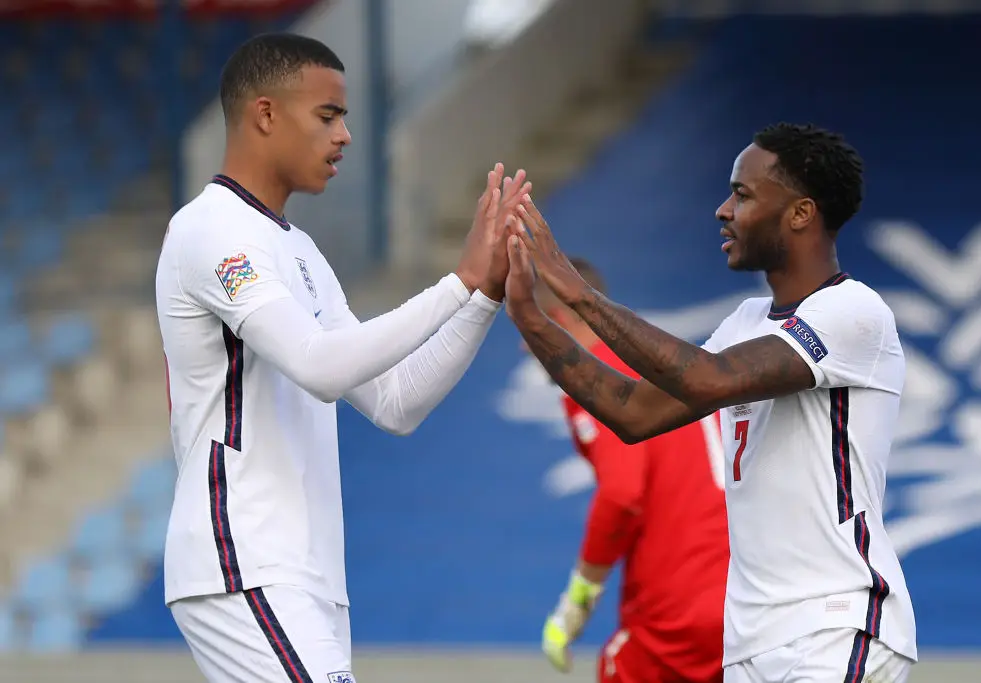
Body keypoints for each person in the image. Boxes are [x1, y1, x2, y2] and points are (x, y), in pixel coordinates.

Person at [155, 33, 528, 683]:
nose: (346, 136)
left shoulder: (297, 249)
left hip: (305, 575)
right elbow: (321, 367)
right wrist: (456, 283)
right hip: (244, 557)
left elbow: (396, 401)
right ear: (265, 114)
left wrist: (483, 295)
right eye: (328, 116)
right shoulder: (211, 229)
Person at [503, 123, 917, 683]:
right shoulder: (746, 321)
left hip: (834, 626)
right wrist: (532, 319)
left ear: (800, 213)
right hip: (749, 640)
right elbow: (634, 413)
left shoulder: (854, 313)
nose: (723, 210)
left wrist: (575, 291)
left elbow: (709, 380)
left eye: (743, 194)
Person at [534, 258, 730, 683]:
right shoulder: (662, 356)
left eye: (530, 330)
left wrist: (577, 600)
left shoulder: (599, 380)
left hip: (679, 606)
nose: (525, 348)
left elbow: (622, 493)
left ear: (559, 320)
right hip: (746, 597)